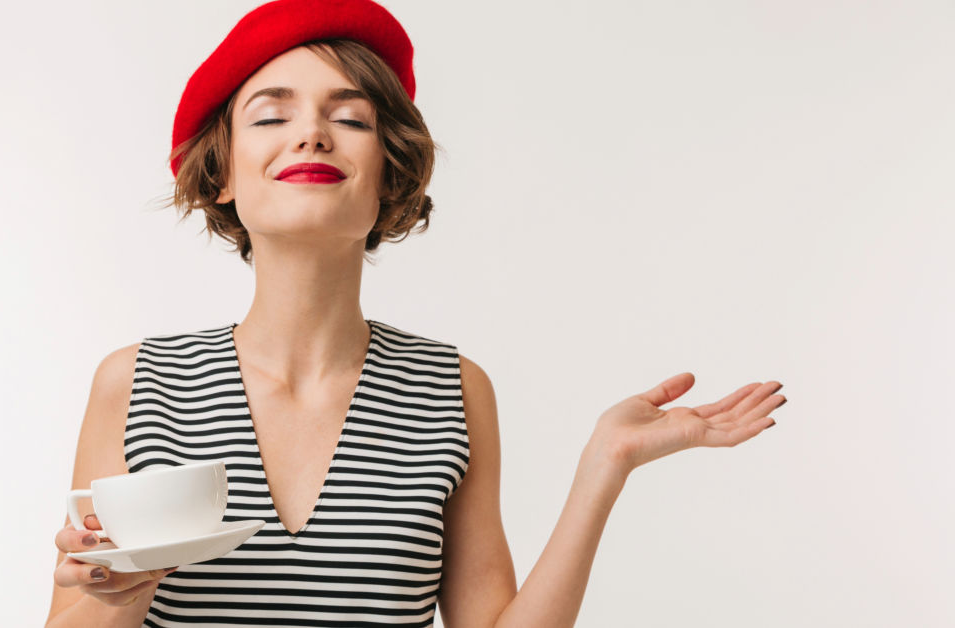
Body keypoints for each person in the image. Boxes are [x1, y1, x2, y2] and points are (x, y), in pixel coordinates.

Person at [44, 1, 788, 626]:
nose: (312, 133)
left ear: (388, 174)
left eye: (351, 118)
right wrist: (120, 595)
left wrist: (605, 466)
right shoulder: (137, 380)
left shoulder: (453, 389)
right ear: (222, 174)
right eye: (271, 115)